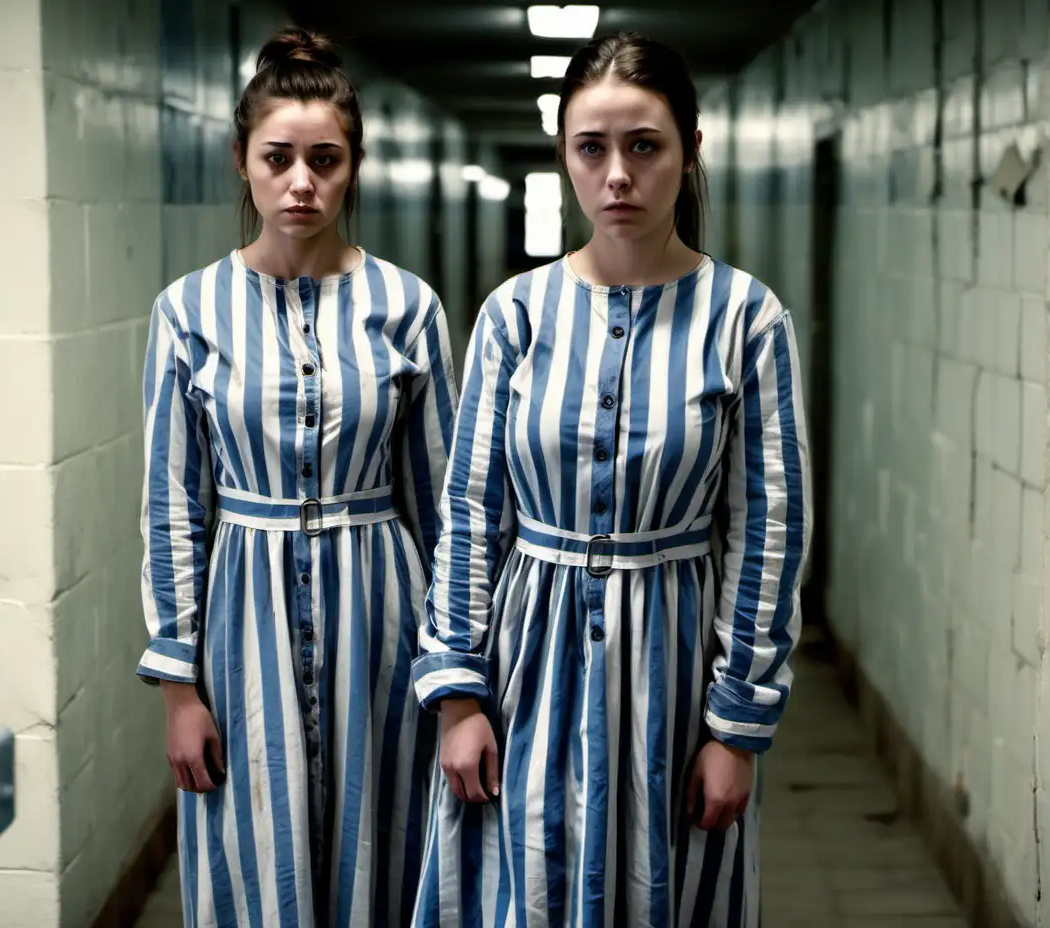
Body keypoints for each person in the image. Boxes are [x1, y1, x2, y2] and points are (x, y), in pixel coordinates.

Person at [411, 32, 811, 927]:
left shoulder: (746, 320)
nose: (618, 175)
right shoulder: (515, 315)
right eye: (592, 148)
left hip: (673, 665)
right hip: (527, 662)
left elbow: (769, 531)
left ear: (690, 150)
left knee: (666, 892)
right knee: (524, 890)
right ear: (565, 156)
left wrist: (735, 727)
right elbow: (471, 512)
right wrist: (458, 694)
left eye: (644, 145)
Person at [136, 26, 458, 927]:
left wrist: (456, 672)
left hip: (384, 619)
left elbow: (446, 507)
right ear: (241, 160)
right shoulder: (187, 312)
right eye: (278, 158)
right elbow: (171, 508)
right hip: (242, 624)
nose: (302, 182)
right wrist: (178, 688)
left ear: (354, 166)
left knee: (383, 855)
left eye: (326, 158)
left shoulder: (409, 307)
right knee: (254, 863)